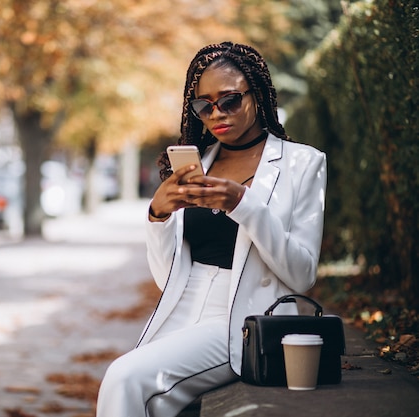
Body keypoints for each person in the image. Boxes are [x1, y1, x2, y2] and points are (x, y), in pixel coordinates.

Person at [96, 42, 327, 417]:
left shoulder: (303, 163)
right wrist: (158, 216)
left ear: (258, 94)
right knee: (141, 391)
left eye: (230, 100)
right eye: (204, 105)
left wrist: (243, 204)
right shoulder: (195, 165)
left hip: (247, 316)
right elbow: (165, 278)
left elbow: (302, 275)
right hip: (182, 307)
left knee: (124, 378)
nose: (216, 113)